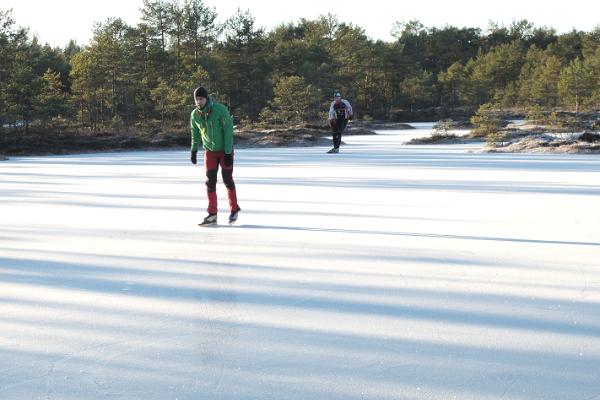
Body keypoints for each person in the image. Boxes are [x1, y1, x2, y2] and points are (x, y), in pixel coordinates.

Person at [190, 86, 241, 225]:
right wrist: (194, 150)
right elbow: (194, 133)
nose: (199, 101)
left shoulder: (220, 110)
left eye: (201, 98)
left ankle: (234, 209)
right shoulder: (195, 114)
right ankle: (212, 214)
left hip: (225, 150)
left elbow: (228, 131)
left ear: (207, 98)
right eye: (196, 99)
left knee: (227, 179)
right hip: (210, 152)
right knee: (210, 182)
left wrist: (228, 152)